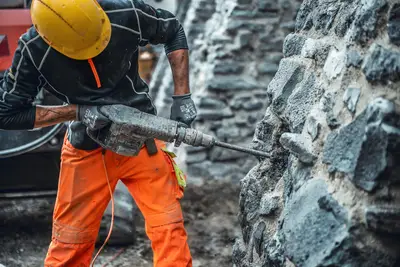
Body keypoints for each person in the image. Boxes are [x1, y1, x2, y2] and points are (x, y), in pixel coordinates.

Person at [0, 0, 197, 266]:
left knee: (169, 230)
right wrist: (77, 112)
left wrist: (182, 96)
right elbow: (7, 113)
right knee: (69, 243)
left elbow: (172, 29)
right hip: (86, 148)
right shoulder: (34, 47)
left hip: (142, 141)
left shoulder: (123, 11)